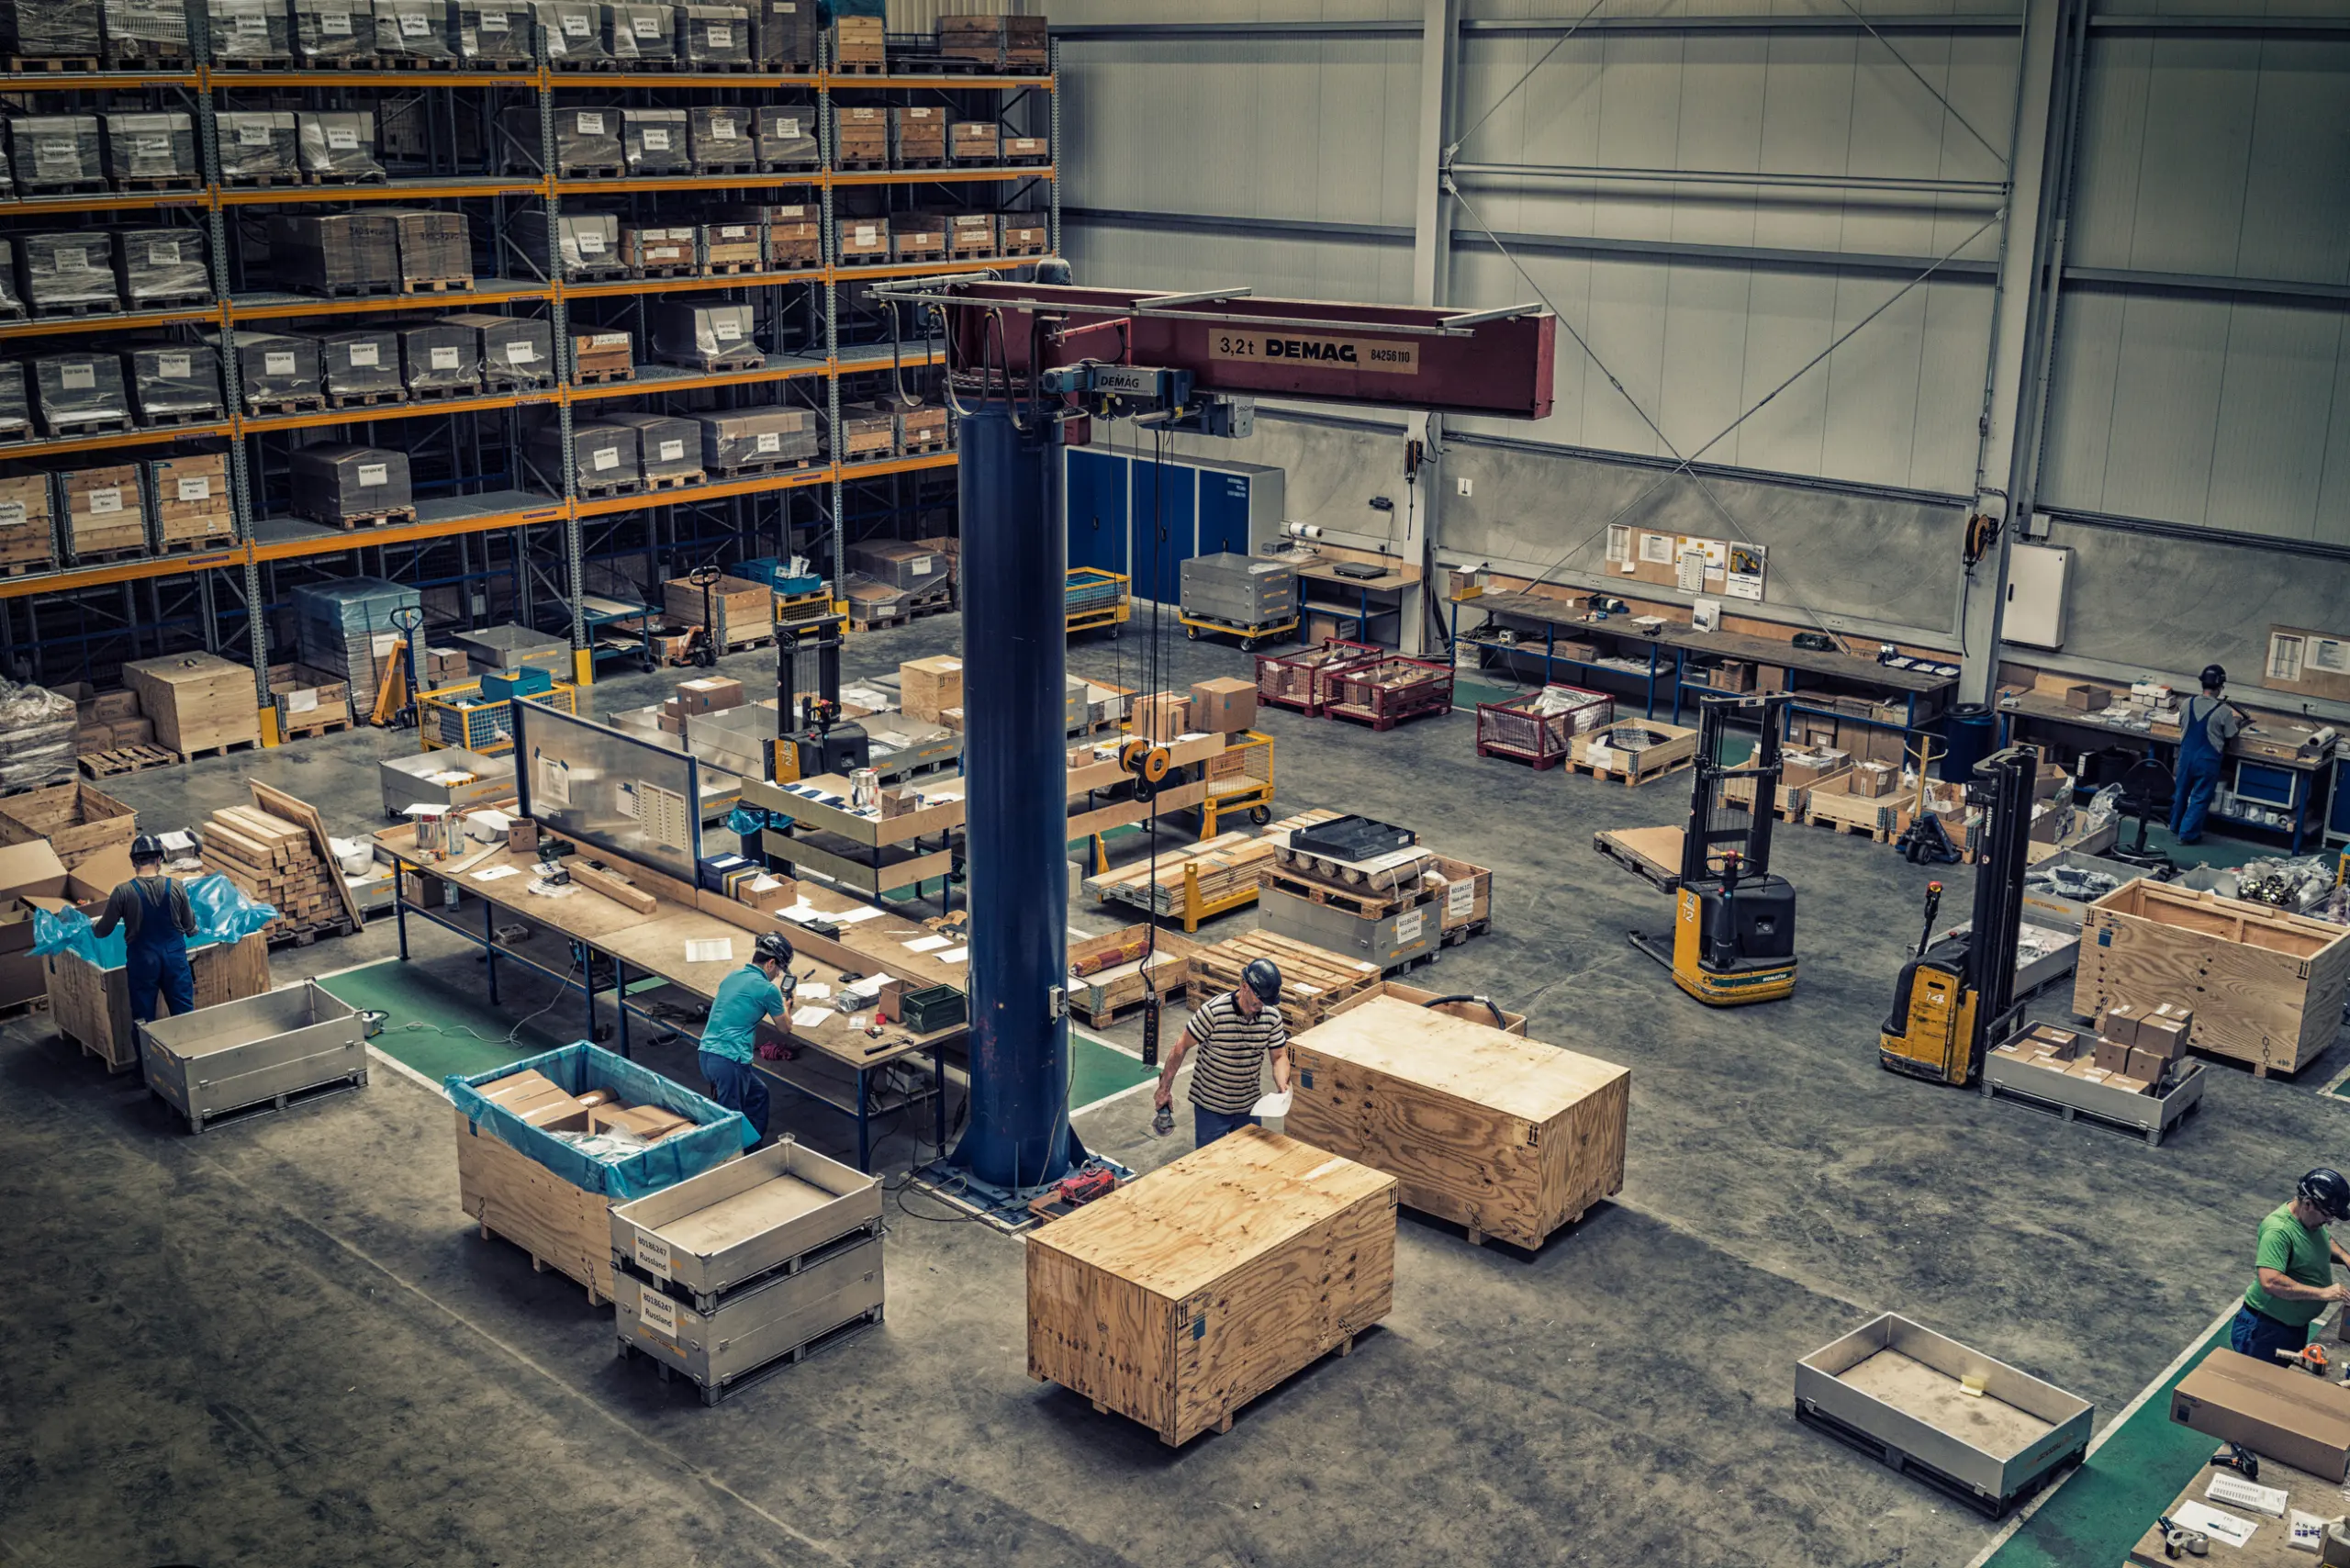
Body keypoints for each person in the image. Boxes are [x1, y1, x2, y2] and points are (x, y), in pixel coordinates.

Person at [1153, 957, 1290, 1148]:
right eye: (1259, 999)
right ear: (1244, 986)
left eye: (1266, 1001)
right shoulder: (1214, 1012)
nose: (1261, 1005)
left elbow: (1279, 1056)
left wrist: (1282, 1084)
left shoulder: (1271, 1017)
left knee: (1250, 1163)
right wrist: (1164, 1090)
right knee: (1209, 1166)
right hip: (1211, 1108)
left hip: (1248, 1106)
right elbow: (1180, 1047)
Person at [2231, 1168, 2350, 1366]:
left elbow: (2323, 1241)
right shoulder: (2279, 1231)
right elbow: (2271, 1282)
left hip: (2291, 1326)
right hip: (2266, 1329)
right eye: (2327, 1216)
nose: (2328, 1223)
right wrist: (2324, 1294)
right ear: (2308, 1203)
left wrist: (2346, 1257)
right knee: (2259, 1389)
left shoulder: (2309, 1223)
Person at [90, 834, 198, 1025]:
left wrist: (91, 926)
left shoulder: (122, 892)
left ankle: (146, 1055)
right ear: (159, 859)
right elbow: (190, 928)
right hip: (174, 959)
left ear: (134, 863)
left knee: (143, 1021)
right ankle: (188, 1052)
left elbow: (102, 931)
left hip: (143, 961)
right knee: (184, 1017)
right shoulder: (176, 887)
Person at [699, 931, 796, 1142]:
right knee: (729, 1124)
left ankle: (752, 1149)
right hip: (729, 1061)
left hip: (707, 1055)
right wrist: (785, 1005)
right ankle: (736, 1164)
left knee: (758, 1094)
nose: (778, 975)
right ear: (770, 963)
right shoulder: (768, 990)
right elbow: (784, 1028)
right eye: (779, 969)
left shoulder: (733, 976)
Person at [2169, 663, 2244, 846]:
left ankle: (2175, 826)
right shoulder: (2224, 711)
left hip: (2185, 757)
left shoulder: (2187, 703)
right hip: (2206, 760)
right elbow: (2230, 734)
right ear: (2220, 687)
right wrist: (2238, 722)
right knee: (2200, 797)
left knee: (2180, 793)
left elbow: (2182, 724)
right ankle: (2187, 835)